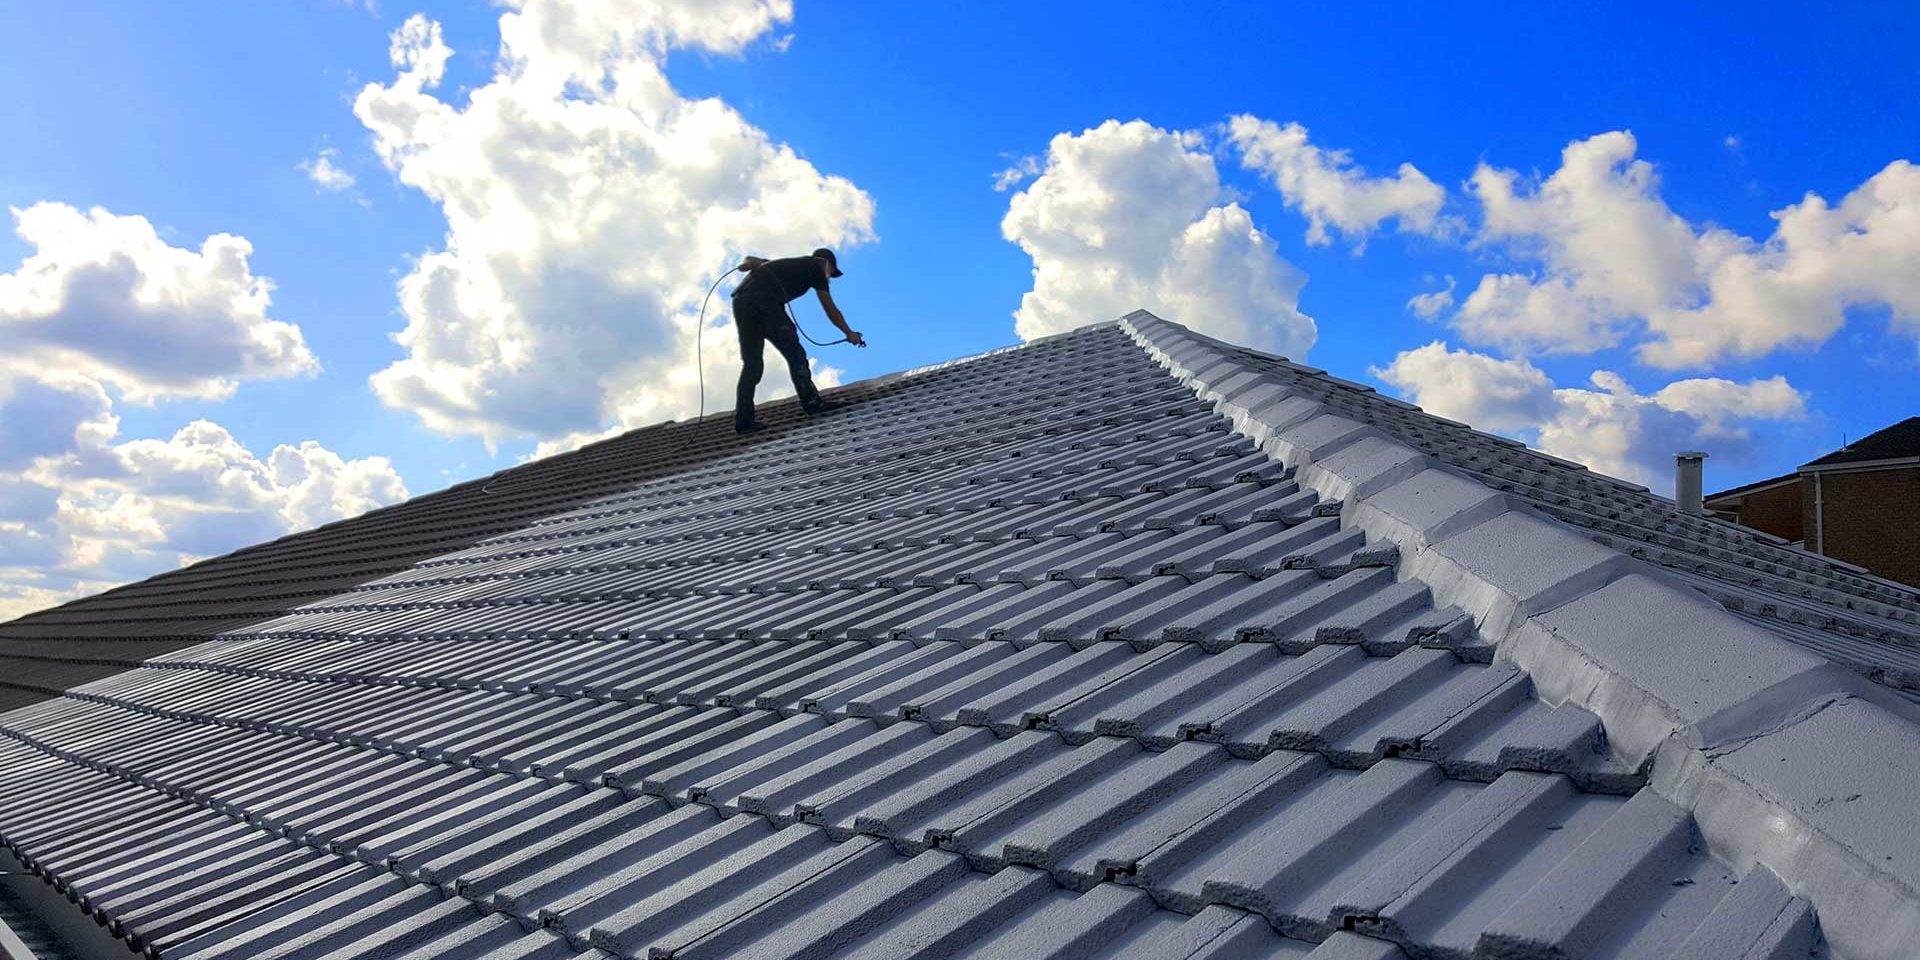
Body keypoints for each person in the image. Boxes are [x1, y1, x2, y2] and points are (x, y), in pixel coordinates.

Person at [729, 247, 865, 434]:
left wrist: (751, 262)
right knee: (795, 354)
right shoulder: (819, 265)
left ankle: (744, 421)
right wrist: (849, 333)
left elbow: (750, 259)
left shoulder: (787, 265)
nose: (829, 279)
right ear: (829, 264)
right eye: (831, 274)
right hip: (765, 304)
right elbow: (829, 307)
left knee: (752, 364)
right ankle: (812, 403)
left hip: (741, 304)